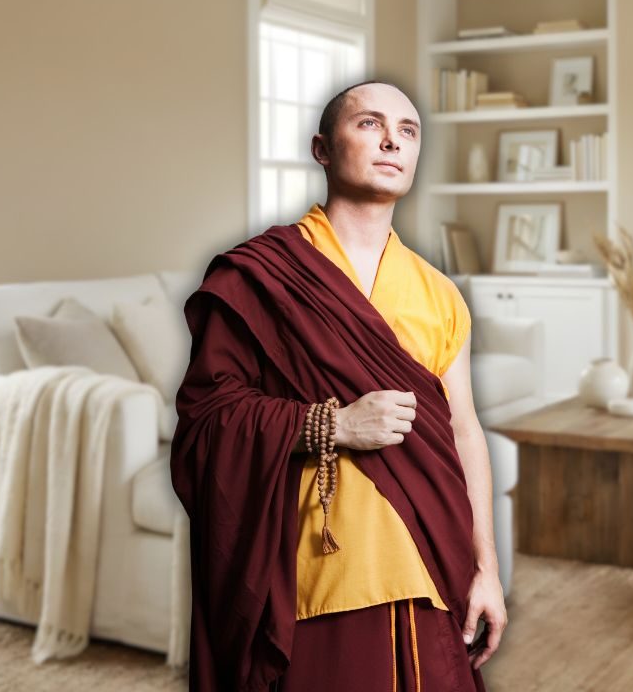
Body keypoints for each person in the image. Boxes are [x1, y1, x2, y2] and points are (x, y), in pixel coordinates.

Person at [170, 80, 507, 691]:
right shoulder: (262, 275)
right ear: (322, 149)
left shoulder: (439, 294)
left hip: (432, 560)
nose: (391, 141)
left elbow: (463, 430)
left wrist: (487, 569)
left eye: (407, 131)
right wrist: (332, 424)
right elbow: (208, 418)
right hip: (315, 571)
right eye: (369, 123)